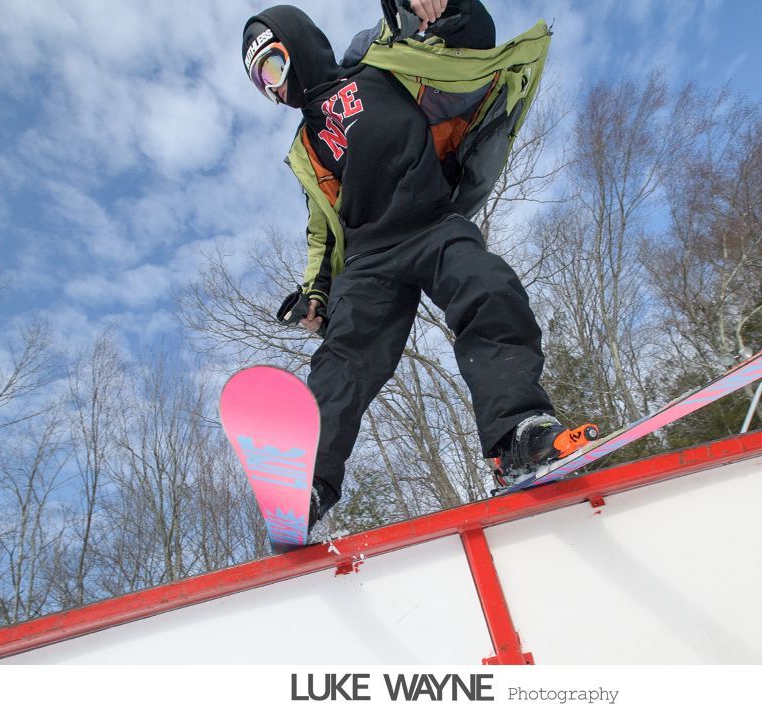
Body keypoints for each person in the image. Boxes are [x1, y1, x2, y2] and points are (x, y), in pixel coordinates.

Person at [241, 0, 594, 528]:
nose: (275, 90)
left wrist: (435, 4)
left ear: (300, 45)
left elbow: (465, 38)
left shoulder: (382, 64)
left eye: (273, 68)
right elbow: (321, 225)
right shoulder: (305, 146)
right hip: (367, 258)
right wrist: (316, 290)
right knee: (345, 356)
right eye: (261, 85)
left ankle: (515, 435)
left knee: (488, 288)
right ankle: (307, 483)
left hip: (431, 222)